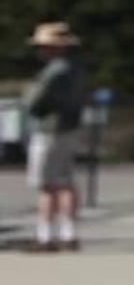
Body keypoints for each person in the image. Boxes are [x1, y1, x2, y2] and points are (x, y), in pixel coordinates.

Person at [23, 20, 88, 252]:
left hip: (49, 129)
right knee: (65, 182)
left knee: (46, 184)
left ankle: (45, 235)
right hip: (70, 127)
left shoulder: (52, 72)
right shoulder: (77, 70)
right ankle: (68, 232)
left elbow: (33, 101)